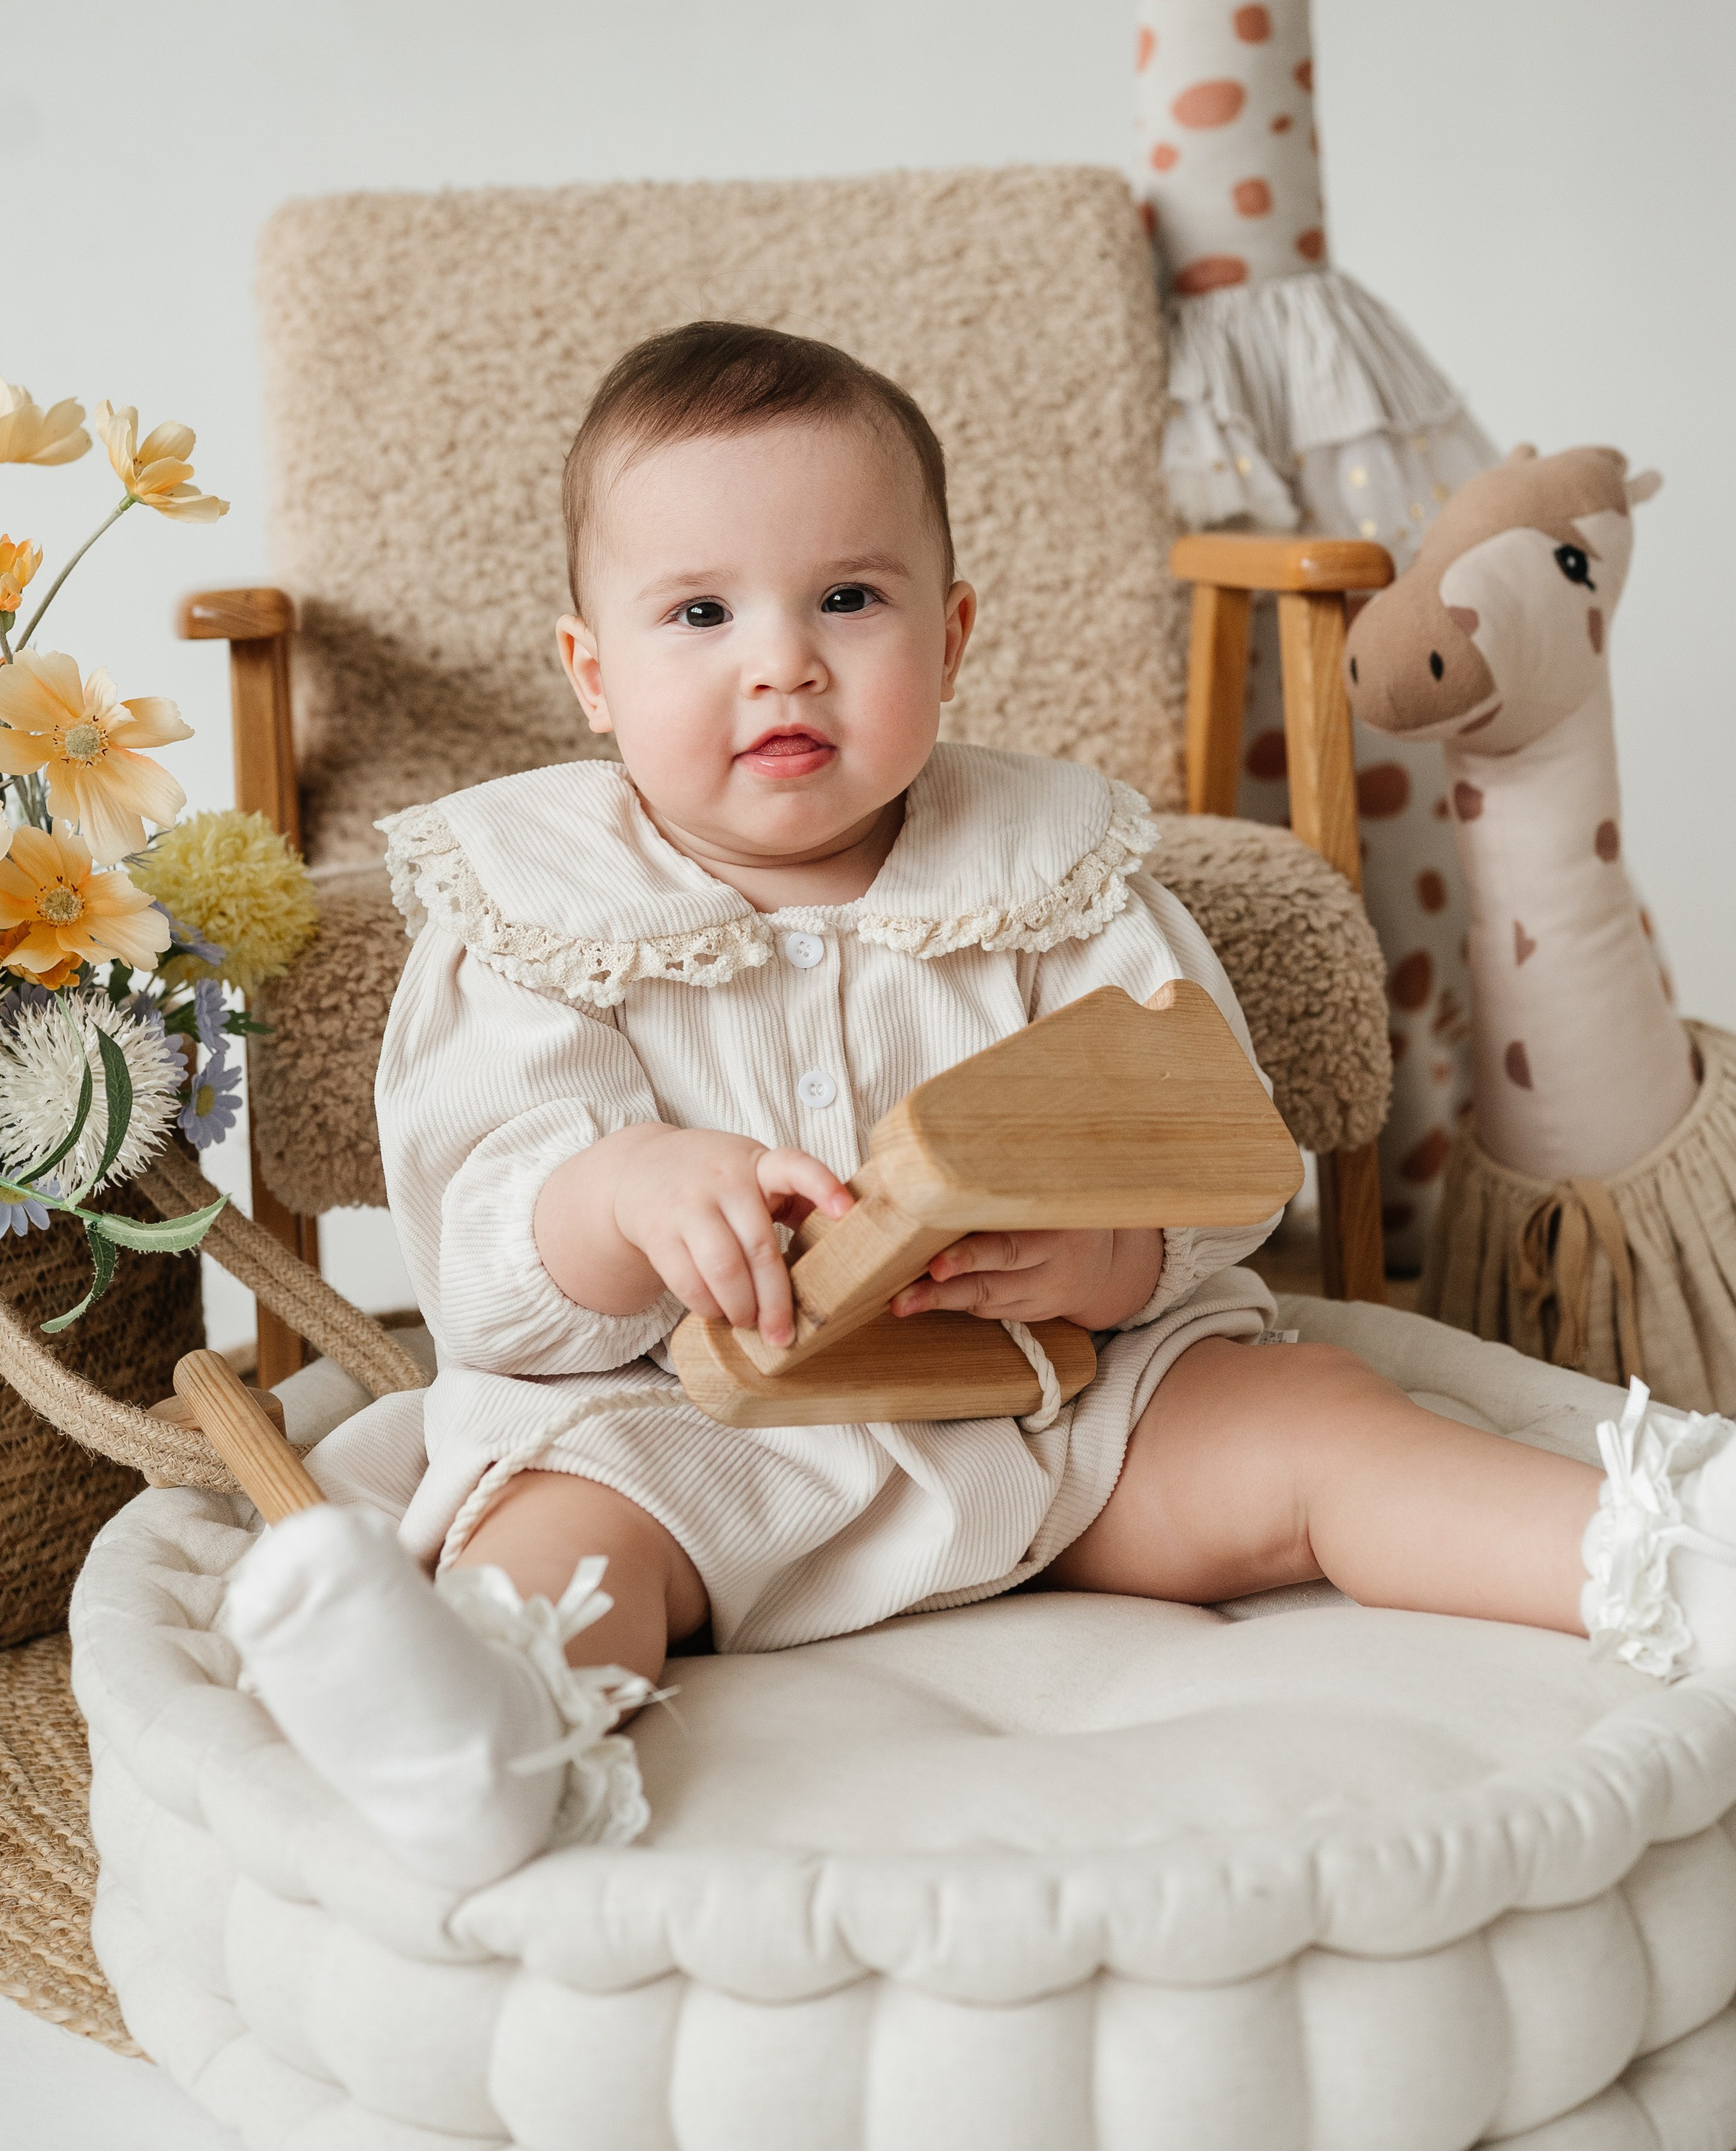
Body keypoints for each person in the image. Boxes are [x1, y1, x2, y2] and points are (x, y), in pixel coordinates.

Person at [223, 322, 1736, 1892]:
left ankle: (1662, 1550)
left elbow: (1214, 1148)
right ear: (591, 675)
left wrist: (1109, 1258)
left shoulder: (1047, 866)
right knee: (555, 1537)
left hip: (1057, 1402)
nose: (782, 659)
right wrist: (622, 1197)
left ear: (947, 638)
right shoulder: (539, 906)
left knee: (1316, 1428)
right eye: (699, 611)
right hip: (686, 1431)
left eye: (848, 599)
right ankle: (486, 1727)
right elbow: (481, 1253)